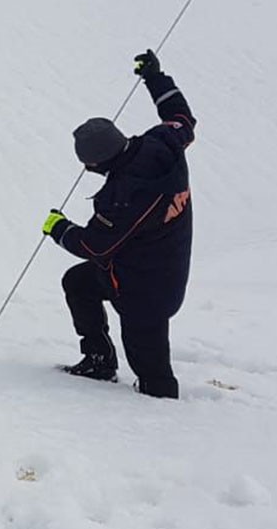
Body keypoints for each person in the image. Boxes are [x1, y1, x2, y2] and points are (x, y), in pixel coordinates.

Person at [41, 50, 195, 398]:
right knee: (78, 283)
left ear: (97, 162)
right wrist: (156, 77)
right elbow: (181, 116)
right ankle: (98, 360)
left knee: (151, 369)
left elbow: (96, 245)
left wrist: (59, 229)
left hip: (144, 291)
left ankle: (164, 422)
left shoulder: (123, 196)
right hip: (162, 269)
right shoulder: (164, 143)